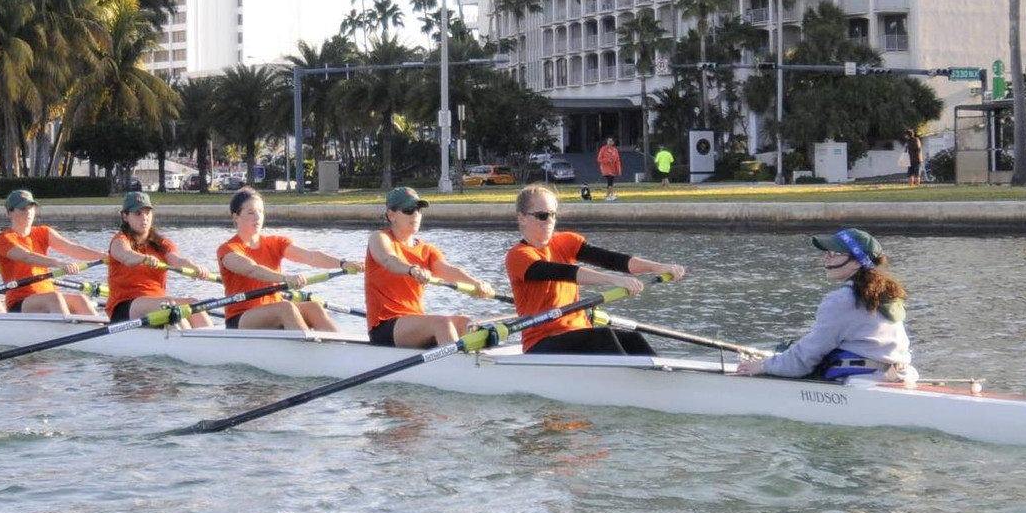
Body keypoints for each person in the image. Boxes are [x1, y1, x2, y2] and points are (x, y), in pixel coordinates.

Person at [505, 184, 687, 355]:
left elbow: (612, 260)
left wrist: (659, 267)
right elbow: (565, 273)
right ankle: (634, 382)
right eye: (542, 216)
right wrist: (614, 280)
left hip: (579, 331)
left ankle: (660, 379)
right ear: (522, 218)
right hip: (541, 342)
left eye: (553, 214)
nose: (550, 221)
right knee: (604, 336)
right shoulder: (518, 256)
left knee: (632, 339)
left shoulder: (566, 241)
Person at [737, 228, 914, 382]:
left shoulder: (842, 300)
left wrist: (763, 366)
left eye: (835, 254)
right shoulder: (887, 295)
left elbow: (804, 359)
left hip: (862, 381)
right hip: (901, 375)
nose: (826, 259)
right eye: (827, 252)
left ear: (857, 262)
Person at [365, 187, 497, 347]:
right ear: (391, 215)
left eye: (418, 210)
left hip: (414, 322)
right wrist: (412, 270)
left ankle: (473, 363)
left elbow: (448, 270)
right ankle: (457, 366)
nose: (415, 215)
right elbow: (388, 260)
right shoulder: (379, 238)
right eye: (408, 210)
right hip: (385, 325)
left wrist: (476, 283)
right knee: (442, 323)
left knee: (466, 323)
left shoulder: (427, 250)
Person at [217, 187, 359, 331]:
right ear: (236, 217)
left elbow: (310, 257)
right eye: (251, 212)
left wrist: (342, 263)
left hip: (274, 309)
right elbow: (251, 270)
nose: (258, 217)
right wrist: (286, 278)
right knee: (286, 308)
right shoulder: (228, 249)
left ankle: (340, 348)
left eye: (261, 212)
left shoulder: (275, 242)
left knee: (314, 308)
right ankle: (306, 349)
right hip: (241, 318)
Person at [106, 191, 212, 328]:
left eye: (147, 213)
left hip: (157, 302)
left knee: (195, 305)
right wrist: (143, 258)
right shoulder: (119, 241)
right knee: (170, 308)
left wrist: (196, 268)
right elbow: (126, 256)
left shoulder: (161, 243)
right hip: (124, 306)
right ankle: (186, 342)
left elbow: (178, 261)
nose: (144, 218)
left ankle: (212, 341)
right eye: (138, 214)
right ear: (125, 216)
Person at [0, 188, 108, 316]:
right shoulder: (4, 238)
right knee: (54, 299)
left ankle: (99, 331)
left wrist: (103, 255)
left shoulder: (43, 232)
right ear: (9, 213)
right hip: (20, 301)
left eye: (31, 208)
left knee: (80, 300)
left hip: (48, 295)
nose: (28, 213)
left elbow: (72, 248)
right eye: (23, 209)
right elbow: (27, 257)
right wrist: (59, 263)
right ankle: (66, 330)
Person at [596, 135, 623, 201]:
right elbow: (599, 159)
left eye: (611, 141)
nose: (610, 142)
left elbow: (617, 161)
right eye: (608, 141)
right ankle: (608, 196)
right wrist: (606, 160)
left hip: (613, 169)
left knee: (611, 182)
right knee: (610, 181)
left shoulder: (615, 150)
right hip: (606, 168)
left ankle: (611, 195)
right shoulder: (603, 149)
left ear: (613, 142)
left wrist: (619, 170)